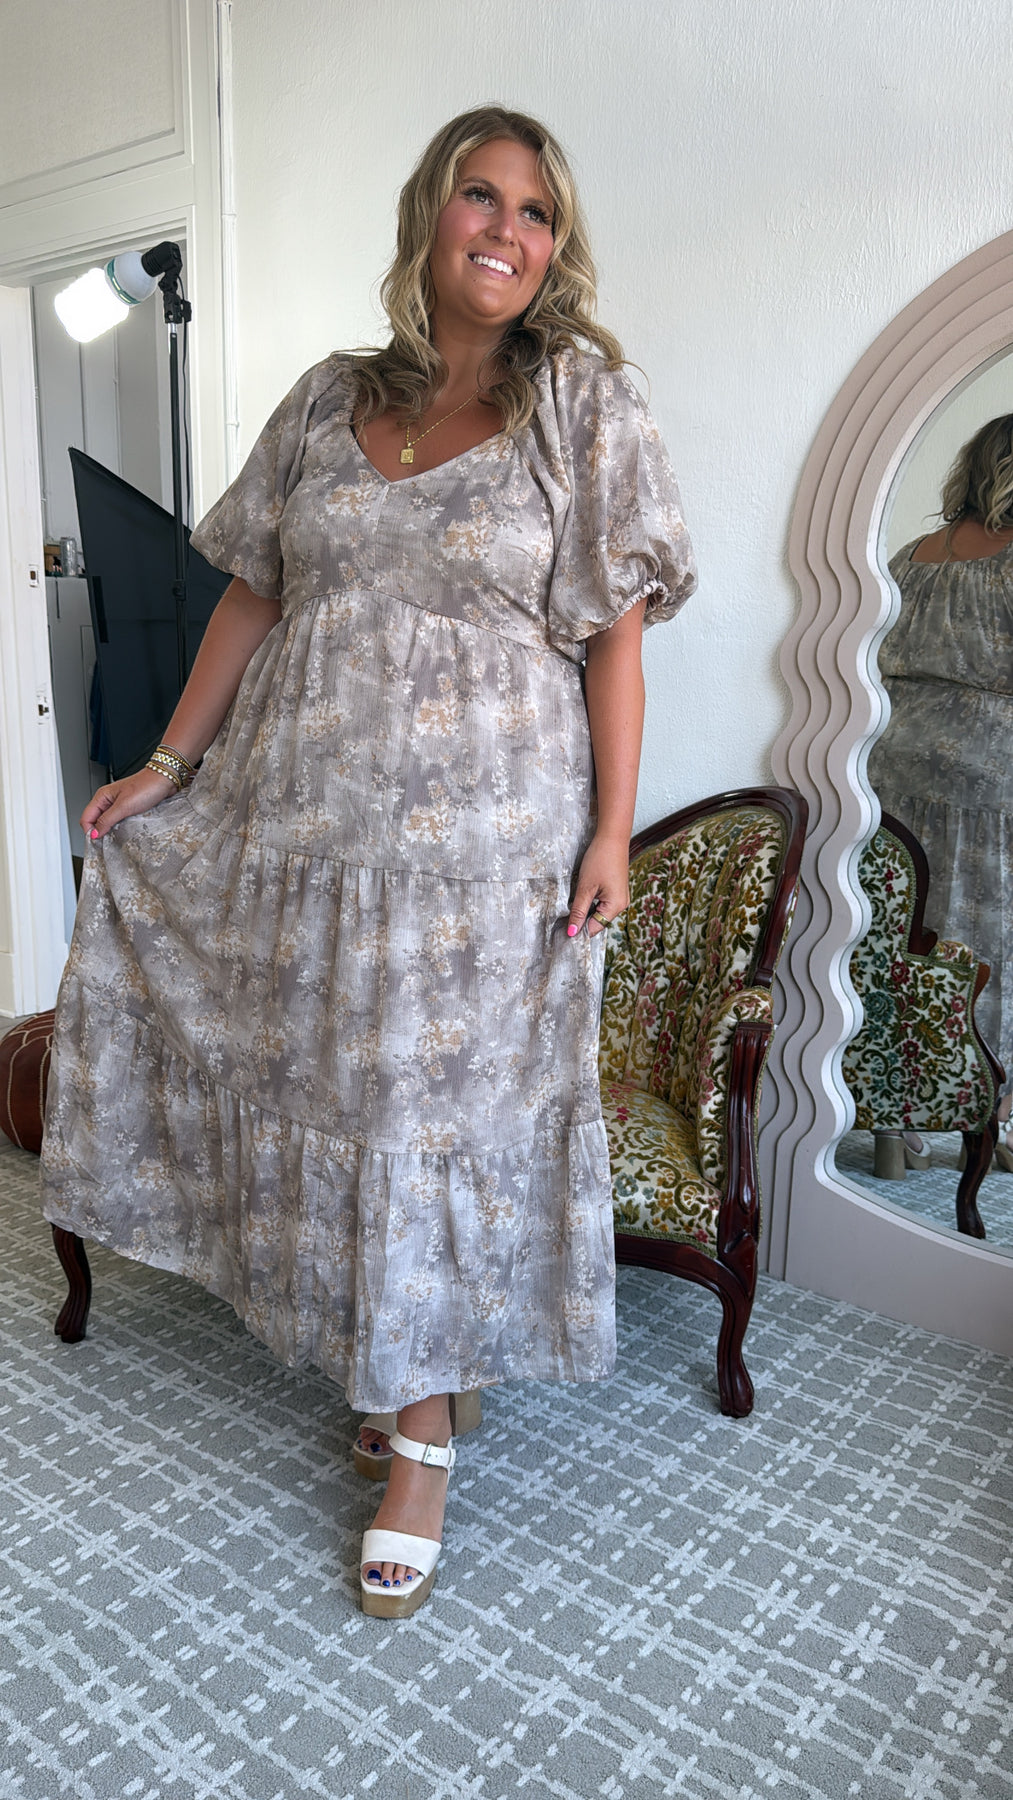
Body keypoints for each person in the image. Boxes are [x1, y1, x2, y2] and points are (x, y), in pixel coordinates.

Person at [40, 106, 696, 1616]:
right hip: (303, 831)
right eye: (481, 194)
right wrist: (167, 766)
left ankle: (420, 1442)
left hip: (482, 856)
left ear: (554, 246)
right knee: (345, 1092)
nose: (507, 228)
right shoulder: (331, 397)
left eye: (536, 210)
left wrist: (611, 828)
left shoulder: (584, 401)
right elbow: (251, 598)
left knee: (428, 1118)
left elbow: (615, 639)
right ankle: (411, 1367)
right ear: (429, 215)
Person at [869, 412, 1013, 1167]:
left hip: (890, 764)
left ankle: (893, 1121)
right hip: (990, 780)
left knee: (901, 939)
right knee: (986, 947)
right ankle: (988, 1114)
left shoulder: (911, 556)